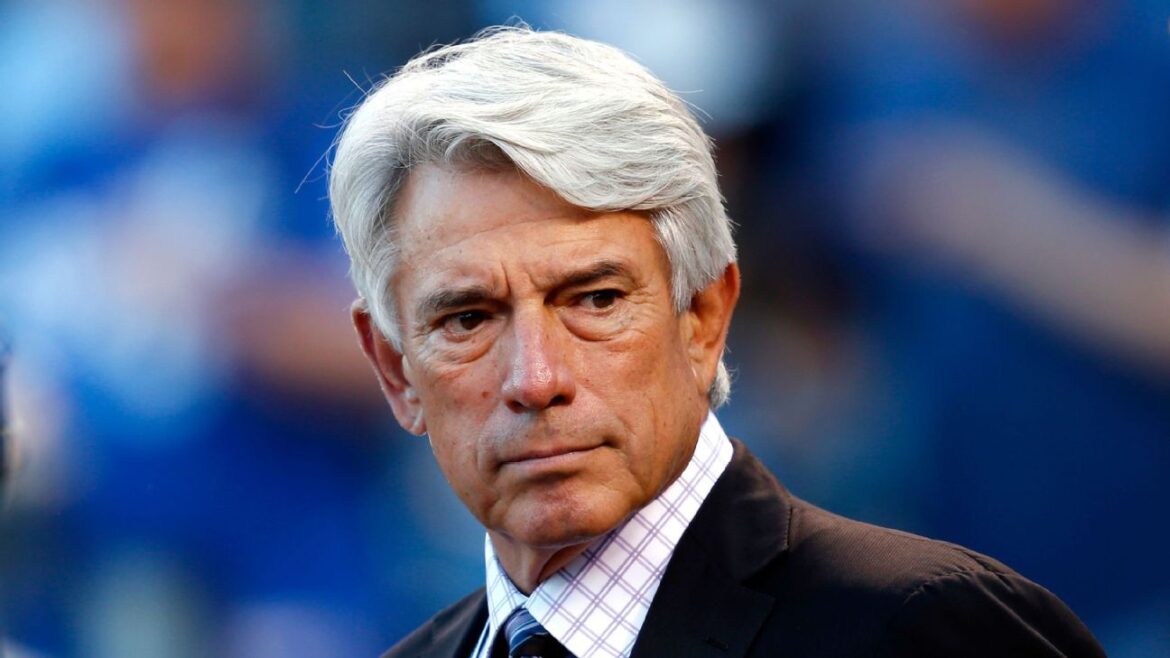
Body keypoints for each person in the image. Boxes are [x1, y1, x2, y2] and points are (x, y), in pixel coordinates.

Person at [328, 26, 1105, 658]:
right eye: (468, 319)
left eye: (595, 299)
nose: (535, 378)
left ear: (703, 318)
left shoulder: (921, 631)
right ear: (396, 370)